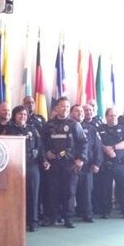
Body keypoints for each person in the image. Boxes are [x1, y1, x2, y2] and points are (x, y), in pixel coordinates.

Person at [0, 106, 48, 231]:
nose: (23, 117)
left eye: (25, 114)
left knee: (33, 194)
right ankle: (17, 221)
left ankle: (33, 221)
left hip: (32, 165)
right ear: (15, 115)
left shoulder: (32, 129)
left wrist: (44, 160)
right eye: (20, 114)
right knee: (15, 195)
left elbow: (40, 146)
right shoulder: (8, 129)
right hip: (14, 167)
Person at [41, 97, 88, 228]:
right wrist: (45, 155)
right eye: (62, 106)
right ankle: (52, 217)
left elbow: (83, 143)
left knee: (69, 192)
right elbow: (41, 144)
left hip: (70, 164)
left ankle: (68, 218)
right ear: (56, 108)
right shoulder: (48, 125)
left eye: (67, 107)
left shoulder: (75, 125)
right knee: (52, 191)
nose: (65, 109)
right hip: (53, 164)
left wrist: (81, 159)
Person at [97, 108, 124, 219]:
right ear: (106, 117)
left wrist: (113, 148)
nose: (113, 118)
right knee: (106, 189)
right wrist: (105, 148)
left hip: (120, 164)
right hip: (106, 164)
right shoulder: (100, 128)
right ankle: (106, 211)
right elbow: (97, 143)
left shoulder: (123, 128)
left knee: (123, 189)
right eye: (111, 116)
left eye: (115, 115)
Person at [71, 104, 101, 222]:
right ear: (71, 113)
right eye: (77, 111)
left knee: (86, 191)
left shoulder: (91, 128)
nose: (81, 113)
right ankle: (69, 214)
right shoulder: (68, 126)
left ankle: (87, 214)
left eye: (82, 112)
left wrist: (97, 163)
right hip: (71, 164)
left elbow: (97, 148)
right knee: (70, 191)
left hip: (87, 165)